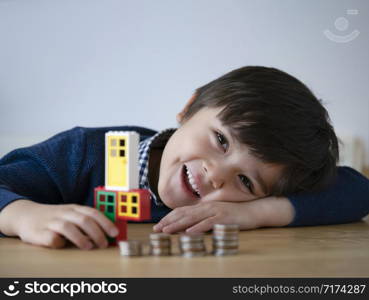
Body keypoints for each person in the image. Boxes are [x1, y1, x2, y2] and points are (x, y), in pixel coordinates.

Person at [0, 66, 368, 250]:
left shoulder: (242, 206)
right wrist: (23, 215)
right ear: (188, 108)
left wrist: (254, 213)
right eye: (221, 140)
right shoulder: (83, 153)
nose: (216, 175)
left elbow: (357, 190)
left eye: (245, 181)